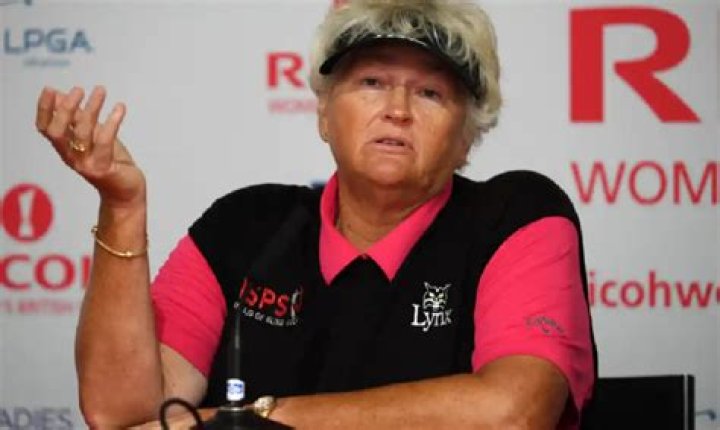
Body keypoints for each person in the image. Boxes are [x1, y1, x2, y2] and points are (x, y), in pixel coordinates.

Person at [35, 0, 596, 428]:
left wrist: (259, 418)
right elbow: (122, 413)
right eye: (372, 83)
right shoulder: (245, 223)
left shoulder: (517, 215)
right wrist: (122, 207)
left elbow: (512, 412)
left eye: (429, 93)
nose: (397, 110)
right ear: (324, 114)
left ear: (468, 135)